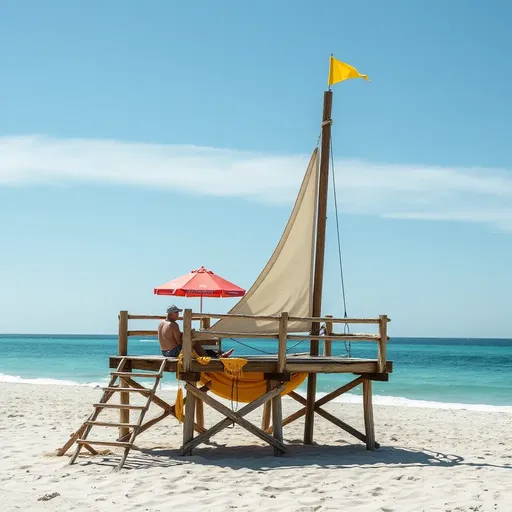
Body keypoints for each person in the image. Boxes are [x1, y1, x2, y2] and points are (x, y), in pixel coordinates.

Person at [158, 305, 233, 358]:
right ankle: (210, 357)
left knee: (193, 340)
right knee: (194, 342)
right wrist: (190, 336)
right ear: (172, 314)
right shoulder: (173, 325)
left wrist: (186, 334)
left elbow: (170, 337)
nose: (178, 315)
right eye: (177, 313)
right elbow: (179, 342)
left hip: (164, 352)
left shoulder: (161, 323)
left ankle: (216, 355)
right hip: (172, 353)